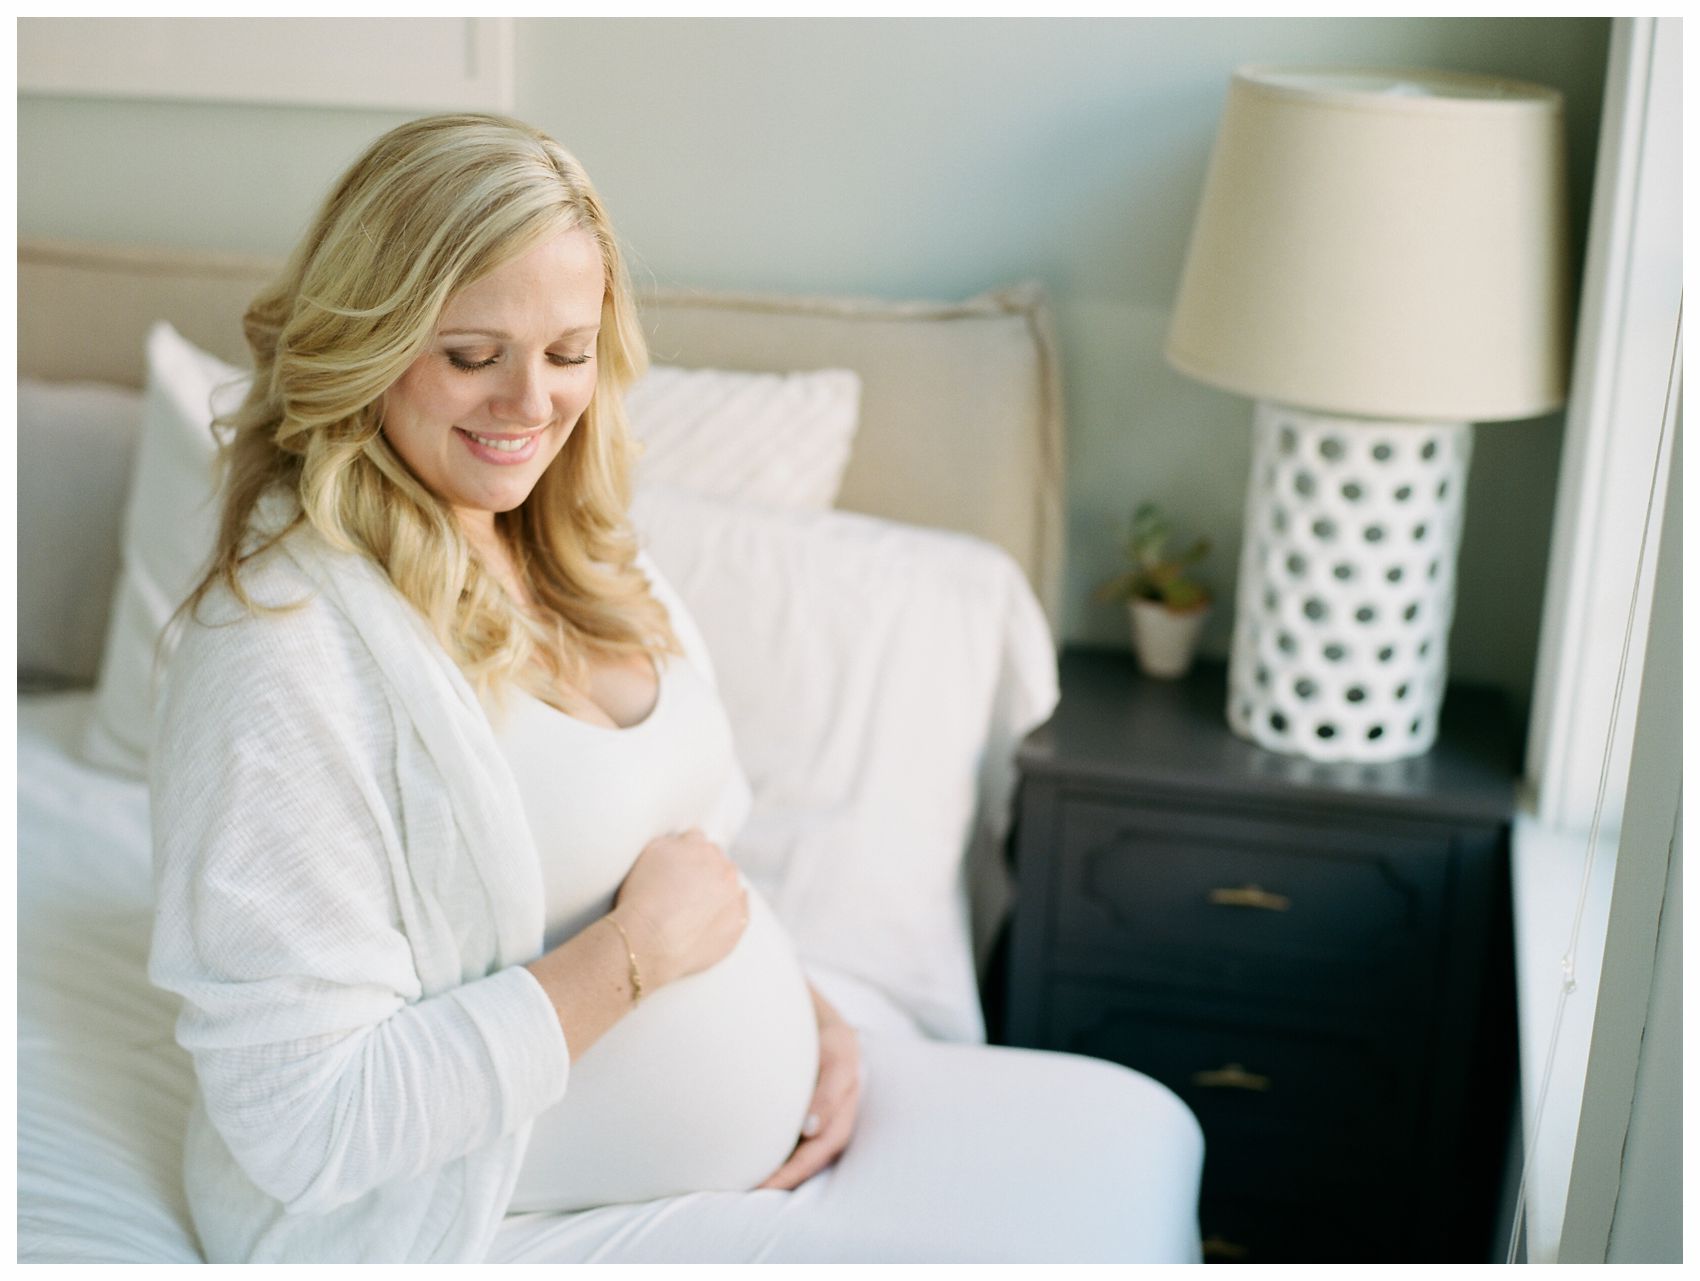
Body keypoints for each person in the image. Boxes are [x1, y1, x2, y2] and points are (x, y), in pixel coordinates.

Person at [148, 113, 1203, 1265]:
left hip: (759, 1132)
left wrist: (806, 1013)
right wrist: (630, 960)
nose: (529, 405)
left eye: (566, 352)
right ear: (365, 339)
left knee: (1141, 1131)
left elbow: (691, 860)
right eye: (469, 354)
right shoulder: (277, 645)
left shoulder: (585, 551)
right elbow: (304, 1120)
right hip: (447, 1210)